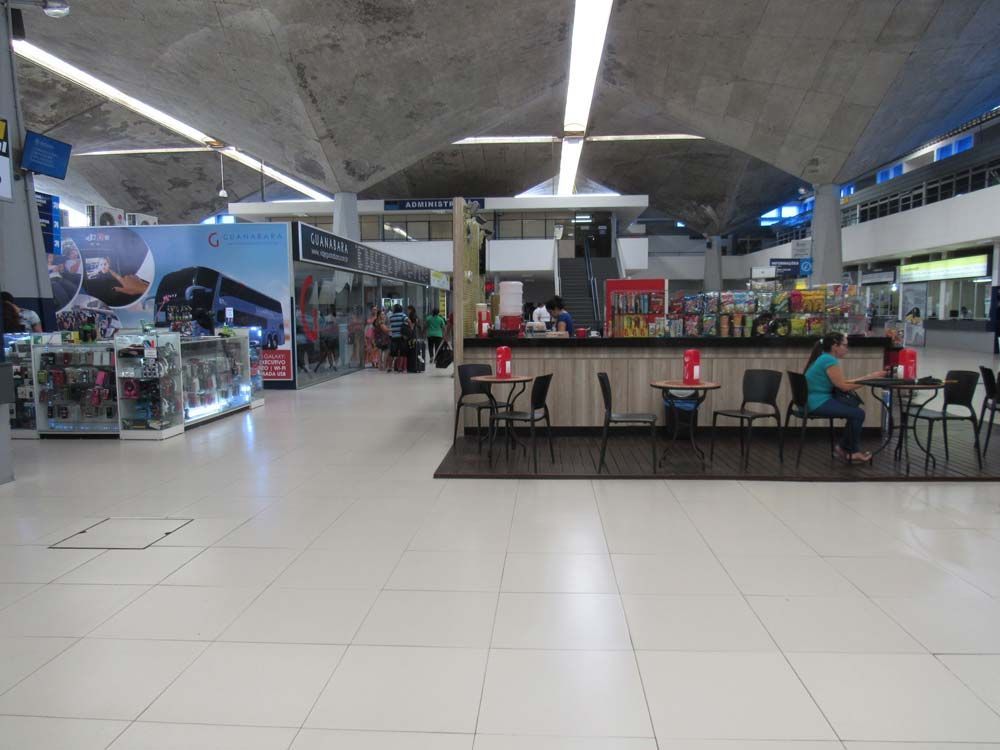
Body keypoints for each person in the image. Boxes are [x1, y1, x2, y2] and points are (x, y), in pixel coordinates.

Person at [804, 332, 888, 464]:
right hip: (816, 402)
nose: (846, 349)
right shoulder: (829, 360)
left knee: (854, 412)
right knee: (858, 414)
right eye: (844, 345)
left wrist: (869, 377)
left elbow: (842, 383)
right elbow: (844, 387)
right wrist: (870, 378)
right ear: (834, 346)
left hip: (811, 400)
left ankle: (845, 448)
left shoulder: (824, 358)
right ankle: (851, 451)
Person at [387, 303, 409, 373]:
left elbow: (389, 325)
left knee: (392, 353)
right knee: (402, 353)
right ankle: (400, 368)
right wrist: (410, 328)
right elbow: (409, 321)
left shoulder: (391, 317)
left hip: (393, 337)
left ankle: (389, 367)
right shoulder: (403, 315)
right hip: (402, 337)